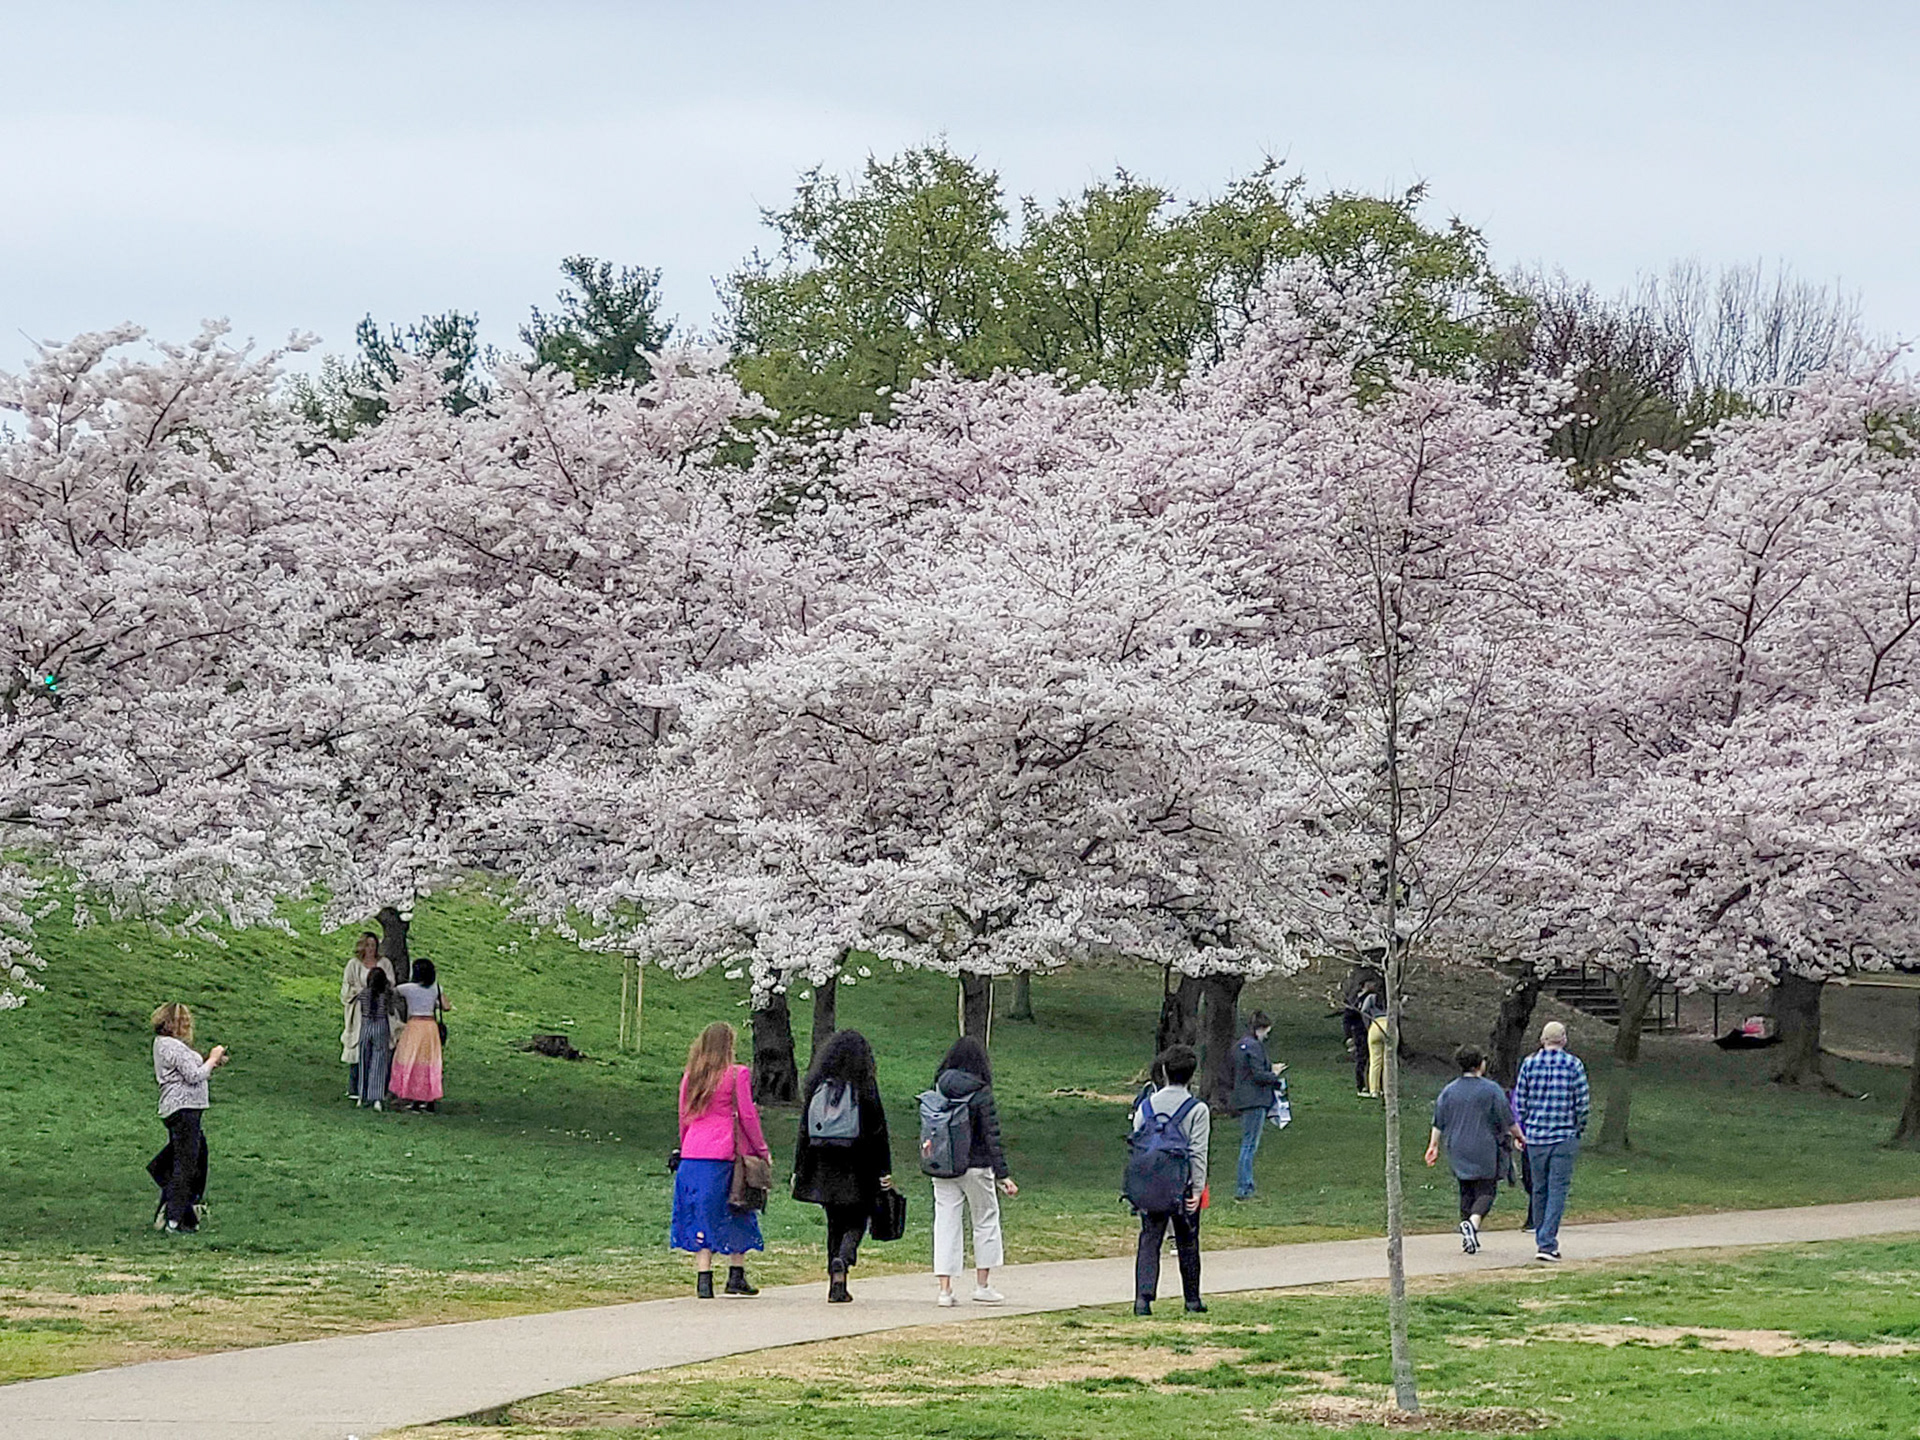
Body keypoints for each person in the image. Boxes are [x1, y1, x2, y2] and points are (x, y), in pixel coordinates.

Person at [792, 1029, 893, 1303]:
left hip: (822, 1164)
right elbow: (878, 1131)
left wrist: (799, 1168)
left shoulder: (817, 1086)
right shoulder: (864, 1086)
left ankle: (836, 1283)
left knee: (834, 1223)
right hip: (858, 1164)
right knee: (859, 1218)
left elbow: (804, 1131)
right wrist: (884, 1170)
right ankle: (845, 1257)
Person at [672, 1021, 772, 1298]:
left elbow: (684, 1116)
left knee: (701, 1213)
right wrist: (761, 1150)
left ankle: (704, 1279)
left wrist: (686, 1146)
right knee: (737, 1208)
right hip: (724, 1153)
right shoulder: (736, 1074)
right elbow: (748, 1116)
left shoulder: (691, 1075)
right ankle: (736, 1274)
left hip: (693, 1154)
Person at [926, 1036, 1018, 1307]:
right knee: (985, 1220)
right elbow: (992, 1136)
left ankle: (945, 1290)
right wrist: (1003, 1175)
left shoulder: (940, 1086)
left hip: (943, 1165)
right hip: (976, 1165)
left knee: (945, 1222)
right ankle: (982, 1284)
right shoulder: (981, 1091)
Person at [1131, 1044, 1210, 1316]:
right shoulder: (1197, 1109)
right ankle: (1191, 1299)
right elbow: (1198, 1153)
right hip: (1182, 1183)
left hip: (1151, 1182)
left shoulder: (1145, 1106)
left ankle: (1143, 1299)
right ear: (1191, 1075)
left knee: (1150, 1238)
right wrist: (1198, 1190)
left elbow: (1139, 1143)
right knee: (1187, 1239)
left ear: (1163, 1071)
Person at [1424, 1044, 1524, 1253]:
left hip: (1457, 1146)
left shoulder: (1449, 1090)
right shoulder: (1491, 1090)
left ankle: (1467, 1235)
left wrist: (1433, 1146)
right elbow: (1507, 1119)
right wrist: (1520, 1136)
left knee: (1466, 1189)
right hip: (1484, 1146)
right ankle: (1473, 1223)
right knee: (1487, 1189)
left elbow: (1438, 1121)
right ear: (1480, 1064)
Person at [1511, 1020, 1590, 1262]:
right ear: (1563, 1039)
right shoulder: (1573, 1064)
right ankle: (1547, 1242)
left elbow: (1520, 1101)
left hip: (1535, 1137)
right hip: (1563, 1135)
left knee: (1539, 1188)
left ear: (1542, 1039)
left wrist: (1522, 1129)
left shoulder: (1529, 1064)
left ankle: (1541, 1237)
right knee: (1558, 1189)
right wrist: (1579, 1126)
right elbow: (1582, 1102)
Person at [147, 1003, 228, 1234]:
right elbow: (194, 1076)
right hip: (183, 1109)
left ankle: (176, 1206)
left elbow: (192, 1068)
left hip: (185, 1109)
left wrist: (211, 1062)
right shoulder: (170, 1045)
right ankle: (175, 1218)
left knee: (194, 1153)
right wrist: (211, 1059)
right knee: (185, 1163)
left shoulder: (172, 1047)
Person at [1227, 1011, 1287, 1199]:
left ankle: (1246, 1184)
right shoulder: (1255, 1047)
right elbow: (1258, 1075)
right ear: (1260, 1029)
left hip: (1243, 1099)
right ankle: (1244, 1187)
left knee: (1247, 1142)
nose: (1266, 1035)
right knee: (1249, 1145)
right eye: (1266, 1031)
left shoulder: (1239, 1046)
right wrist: (1274, 1074)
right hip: (1255, 1099)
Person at [389, 957, 451, 1112]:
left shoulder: (407, 988)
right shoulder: (436, 988)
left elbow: (392, 992)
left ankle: (414, 1098)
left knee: (411, 1061)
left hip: (415, 1026)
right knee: (429, 1063)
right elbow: (447, 1007)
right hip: (430, 1027)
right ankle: (430, 1100)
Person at [339, 931, 394, 1101]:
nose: (371, 949)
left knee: (379, 1049)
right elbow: (346, 988)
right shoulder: (353, 965)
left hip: (379, 1009)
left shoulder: (384, 963)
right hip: (359, 1010)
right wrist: (359, 991)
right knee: (357, 1045)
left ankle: (377, 1088)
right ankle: (355, 1087)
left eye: (373, 945)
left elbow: (391, 984)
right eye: (368, 945)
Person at [356, 967, 399, 1111]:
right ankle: (377, 1098)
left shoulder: (363, 994)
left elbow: (361, 1009)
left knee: (364, 1060)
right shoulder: (386, 994)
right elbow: (391, 1010)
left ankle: (362, 1095)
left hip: (366, 1025)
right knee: (379, 1062)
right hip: (381, 1025)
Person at [1341, 963, 1385, 1095]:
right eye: (1370, 982)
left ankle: (1377, 1086)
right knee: (1362, 1058)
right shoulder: (1358, 999)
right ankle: (1361, 1086)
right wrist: (1349, 1035)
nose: (1374, 985)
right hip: (1360, 1031)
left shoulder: (1374, 997)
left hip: (1370, 1030)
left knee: (1375, 1059)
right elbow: (1348, 1017)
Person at [1361, 989, 1390, 1098]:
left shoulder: (1371, 998)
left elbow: (1364, 1010)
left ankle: (1374, 1090)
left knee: (1375, 1061)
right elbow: (1400, 1012)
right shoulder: (1391, 998)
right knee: (1389, 1061)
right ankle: (1387, 1089)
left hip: (1375, 1025)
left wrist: (1368, 1024)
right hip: (1389, 1025)